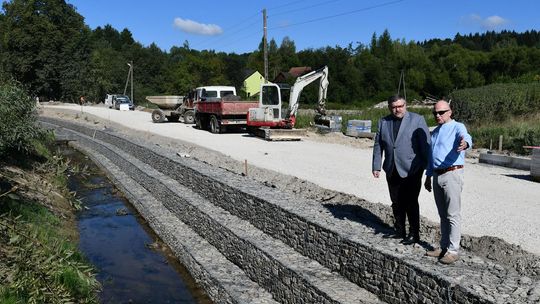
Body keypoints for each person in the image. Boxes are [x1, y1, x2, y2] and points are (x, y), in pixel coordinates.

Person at [372, 95, 430, 243]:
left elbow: (425, 145)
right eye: (394, 107)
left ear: (406, 105)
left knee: (411, 201)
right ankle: (399, 230)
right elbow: (378, 145)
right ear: (389, 107)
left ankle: (414, 233)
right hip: (392, 168)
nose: (397, 109)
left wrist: (427, 167)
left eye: (400, 106)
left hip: (412, 169)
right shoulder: (383, 122)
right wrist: (376, 165)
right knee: (396, 201)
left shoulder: (417, 120)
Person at [424, 100, 472, 265]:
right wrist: (428, 176)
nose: (438, 115)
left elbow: (466, 137)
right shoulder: (435, 132)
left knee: (453, 214)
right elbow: (431, 157)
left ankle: (453, 250)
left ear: (450, 112)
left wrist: (466, 143)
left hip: (452, 173)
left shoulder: (458, 126)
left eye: (441, 112)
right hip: (437, 175)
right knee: (443, 214)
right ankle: (444, 247)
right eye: (435, 113)